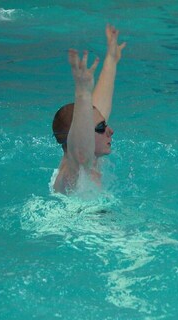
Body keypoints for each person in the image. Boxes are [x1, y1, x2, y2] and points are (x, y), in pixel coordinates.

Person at [51, 25, 126, 194]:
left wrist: (111, 60)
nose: (110, 131)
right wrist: (82, 92)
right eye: (101, 128)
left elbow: (99, 109)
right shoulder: (71, 174)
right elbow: (79, 147)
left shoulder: (91, 156)